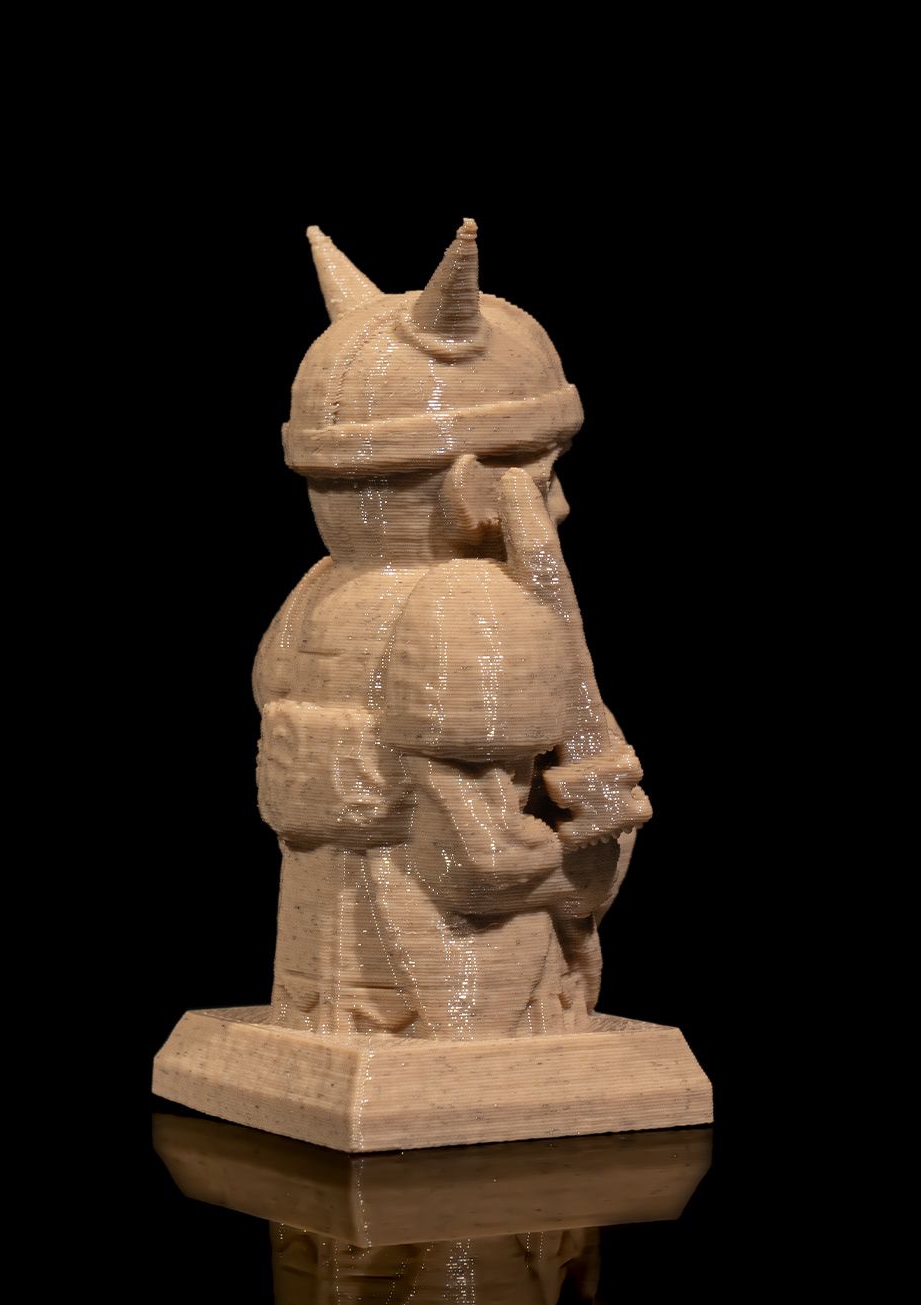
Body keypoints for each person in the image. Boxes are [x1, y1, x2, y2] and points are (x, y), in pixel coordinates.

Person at [253, 220, 651, 1039]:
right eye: (544, 475)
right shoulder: (468, 607)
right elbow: (480, 863)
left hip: (317, 974)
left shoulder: (313, 597)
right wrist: (587, 872)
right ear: (473, 489)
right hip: (457, 983)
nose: (561, 503)